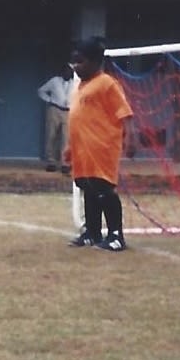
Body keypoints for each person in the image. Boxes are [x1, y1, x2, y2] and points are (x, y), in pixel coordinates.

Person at [64, 36, 136, 251]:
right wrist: (69, 148)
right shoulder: (81, 87)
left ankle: (116, 235)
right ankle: (92, 232)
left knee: (103, 189)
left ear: (95, 61)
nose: (76, 66)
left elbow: (125, 114)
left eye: (81, 61)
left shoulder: (106, 83)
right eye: (74, 62)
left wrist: (130, 140)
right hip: (82, 150)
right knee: (88, 188)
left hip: (102, 148)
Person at [37, 63, 73, 173]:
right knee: (51, 135)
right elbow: (41, 90)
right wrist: (49, 100)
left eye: (70, 71)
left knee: (66, 138)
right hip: (55, 109)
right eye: (66, 70)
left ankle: (65, 163)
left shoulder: (76, 82)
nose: (68, 73)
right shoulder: (54, 81)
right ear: (62, 72)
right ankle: (51, 162)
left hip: (69, 112)